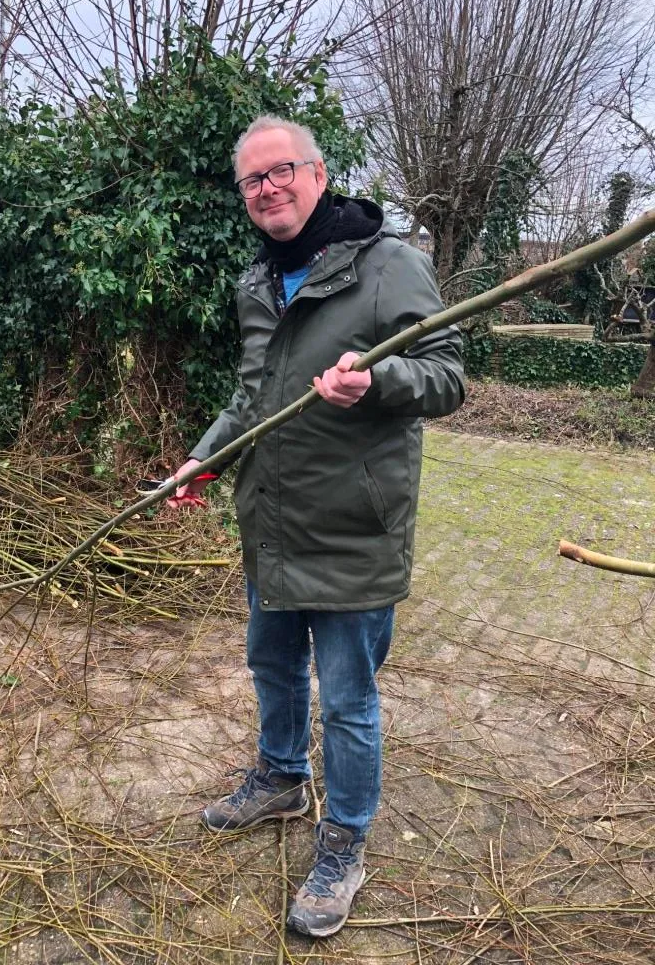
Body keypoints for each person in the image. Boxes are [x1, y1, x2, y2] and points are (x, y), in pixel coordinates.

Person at [168, 115, 465, 938]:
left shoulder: (389, 266)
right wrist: (202, 462)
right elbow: (250, 402)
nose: (268, 189)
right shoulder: (257, 284)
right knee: (270, 664)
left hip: (352, 527)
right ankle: (281, 778)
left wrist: (377, 380)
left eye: (281, 171)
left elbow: (446, 376)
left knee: (349, 699)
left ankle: (346, 842)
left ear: (319, 173)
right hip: (272, 521)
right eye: (252, 181)